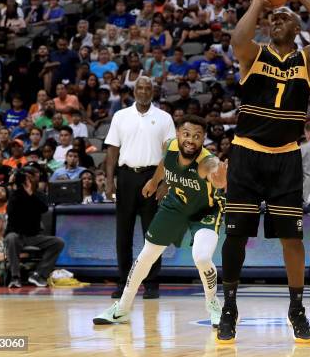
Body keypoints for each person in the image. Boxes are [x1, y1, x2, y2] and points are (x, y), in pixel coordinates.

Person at [217, 0, 310, 344]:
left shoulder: (307, 60)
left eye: (284, 17)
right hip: (247, 155)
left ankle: (296, 307)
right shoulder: (253, 55)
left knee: (292, 240)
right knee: (236, 237)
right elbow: (238, 39)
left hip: (286, 158)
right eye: (274, 19)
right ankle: (229, 305)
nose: (277, 21)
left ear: (298, 27)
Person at [93, 115, 227, 326]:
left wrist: (220, 179)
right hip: (175, 205)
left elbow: (217, 177)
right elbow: (164, 163)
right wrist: (154, 182)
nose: (191, 140)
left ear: (204, 139)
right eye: (186, 134)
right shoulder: (172, 146)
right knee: (147, 255)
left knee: (201, 257)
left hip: (205, 211)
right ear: (178, 135)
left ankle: (213, 304)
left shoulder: (207, 161)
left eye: (197, 136)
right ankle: (122, 308)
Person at [104, 77, 176, 299]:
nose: (144, 91)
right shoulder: (120, 116)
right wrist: (109, 180)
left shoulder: (164, 118)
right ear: (134, 90)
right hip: (126, 177)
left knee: (153, 234)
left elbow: (170, 153)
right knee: (122, 233)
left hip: (152, 176)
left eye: (148, 88)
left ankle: (152, 282)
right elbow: (112, 152)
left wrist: (164, 182)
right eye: (140, 88)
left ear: (153, 92)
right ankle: (124, 281)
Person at [5, 167, 65, 288]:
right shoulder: (15, 194)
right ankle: (15, 277)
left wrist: (31, 194)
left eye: (30, 176)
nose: (27, 180)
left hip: (33, 236)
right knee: (11, 238)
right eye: (25, 177)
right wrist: (14, 187)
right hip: (16, 235)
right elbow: (10, 211)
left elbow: (44, 208)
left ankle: (39, 274)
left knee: (58, 242)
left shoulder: (39, 195)